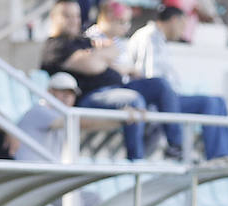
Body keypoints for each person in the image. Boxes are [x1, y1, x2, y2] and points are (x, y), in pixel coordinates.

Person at [40, 0, 189, 162]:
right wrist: (102, 56)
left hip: (118, 88)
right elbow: (93, 65)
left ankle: (176, 147)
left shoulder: (82, 40)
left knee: (160, 86)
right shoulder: (55, 46)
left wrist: (99, 55)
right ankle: (136, 162)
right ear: (54, 18)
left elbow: (113, 56)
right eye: (67, 16)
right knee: (134, 101)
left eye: (76, 16)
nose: (74, 20)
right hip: (91, 97)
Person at [124, 5, 228, 163]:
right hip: (159, 100)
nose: (183, 31)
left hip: (170, 98)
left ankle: (225, 154)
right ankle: (209, 155)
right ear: (174, 20)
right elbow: (152, 80)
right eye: (183, 25)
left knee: (218, 101)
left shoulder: (159, 39)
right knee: (209, 103)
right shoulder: (149, 36)